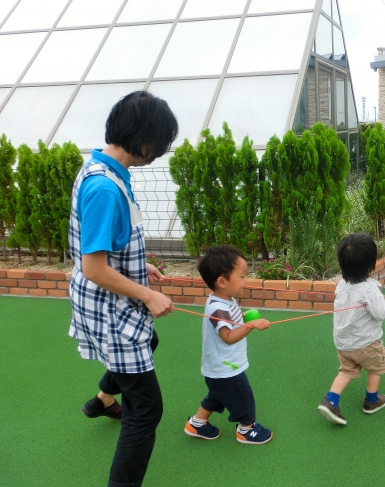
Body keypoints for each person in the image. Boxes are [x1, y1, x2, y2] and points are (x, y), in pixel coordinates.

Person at [68, 91, 178, 487]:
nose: (160, 152)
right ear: (144, 140)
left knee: (148, 343)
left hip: (109, 301)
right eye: (161, 144)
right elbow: (93, 267)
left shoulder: (106, 169)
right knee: (147, 409)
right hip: (108, 307)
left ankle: (102, 401)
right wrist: (147, 294)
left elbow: (103, 248)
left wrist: (138, 267)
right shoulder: (105, 188)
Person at [184, 245, 274, 445]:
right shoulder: (218, 307)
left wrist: (242, 317)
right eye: (242, 276)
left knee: (217, 396)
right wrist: (250, 325)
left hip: (219, 368)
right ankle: (246, 429)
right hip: (227, 368)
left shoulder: (224, 300)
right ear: (222, 282)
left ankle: (196, 424)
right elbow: (228, 336)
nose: (246, 281)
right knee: (243, 398)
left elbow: (228, 324)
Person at [317, 233, 385, 426]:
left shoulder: (341, 285)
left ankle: (331, 400)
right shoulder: (369, 289)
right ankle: (371, 401)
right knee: (375, 368)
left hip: (343, 344)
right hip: (367, 344)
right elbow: (380, 313)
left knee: (346, 371)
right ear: (370, 264)